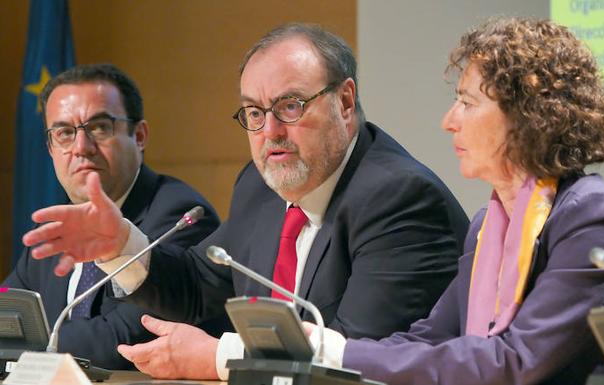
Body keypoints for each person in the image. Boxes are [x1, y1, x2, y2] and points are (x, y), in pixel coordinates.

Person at [22, 24, 469, 380]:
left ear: (346, 101)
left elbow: (356, 360)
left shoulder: (400, 199)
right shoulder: (260, 186)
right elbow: (199, 288)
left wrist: (219, 357)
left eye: (290, 106)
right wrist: (122, 245)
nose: (270, 131)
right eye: (254, 113)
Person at [308, 17, 604, 385]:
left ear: (528, 117)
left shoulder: (589, 216)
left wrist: (340, 354)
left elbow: (515, 361)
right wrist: (326, 353)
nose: (449, 121)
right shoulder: (487, 225)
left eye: (467, 102)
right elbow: (428, 338)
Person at [3, 63, 220, 369]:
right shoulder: (58, 227)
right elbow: (8, 313)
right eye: (64, 133)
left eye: (99, 127)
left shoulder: (180, 215)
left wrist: (25, 348)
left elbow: (126, 338)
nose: (81, 147)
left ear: (140, 136)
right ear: (50, 147)